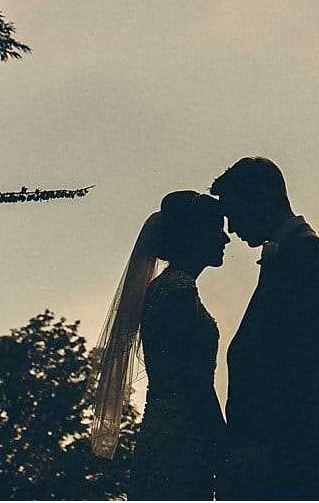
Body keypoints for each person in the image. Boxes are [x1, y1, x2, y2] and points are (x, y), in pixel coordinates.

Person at [211, 157, 319, 500]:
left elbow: (304, 364)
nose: (232, 227)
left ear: (259, 199)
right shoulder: (289, 256)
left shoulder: (306, 256)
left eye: (234, 212)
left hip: (283, 461)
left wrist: (267, 446)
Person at [91, 190, 230, 499]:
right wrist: (222, 443)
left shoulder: (165, 288)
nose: (225, 240)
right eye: (216, 230)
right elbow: (194, 379)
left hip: (162, 423)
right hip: (183, 431)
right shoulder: (179, 292)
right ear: (195, 235)